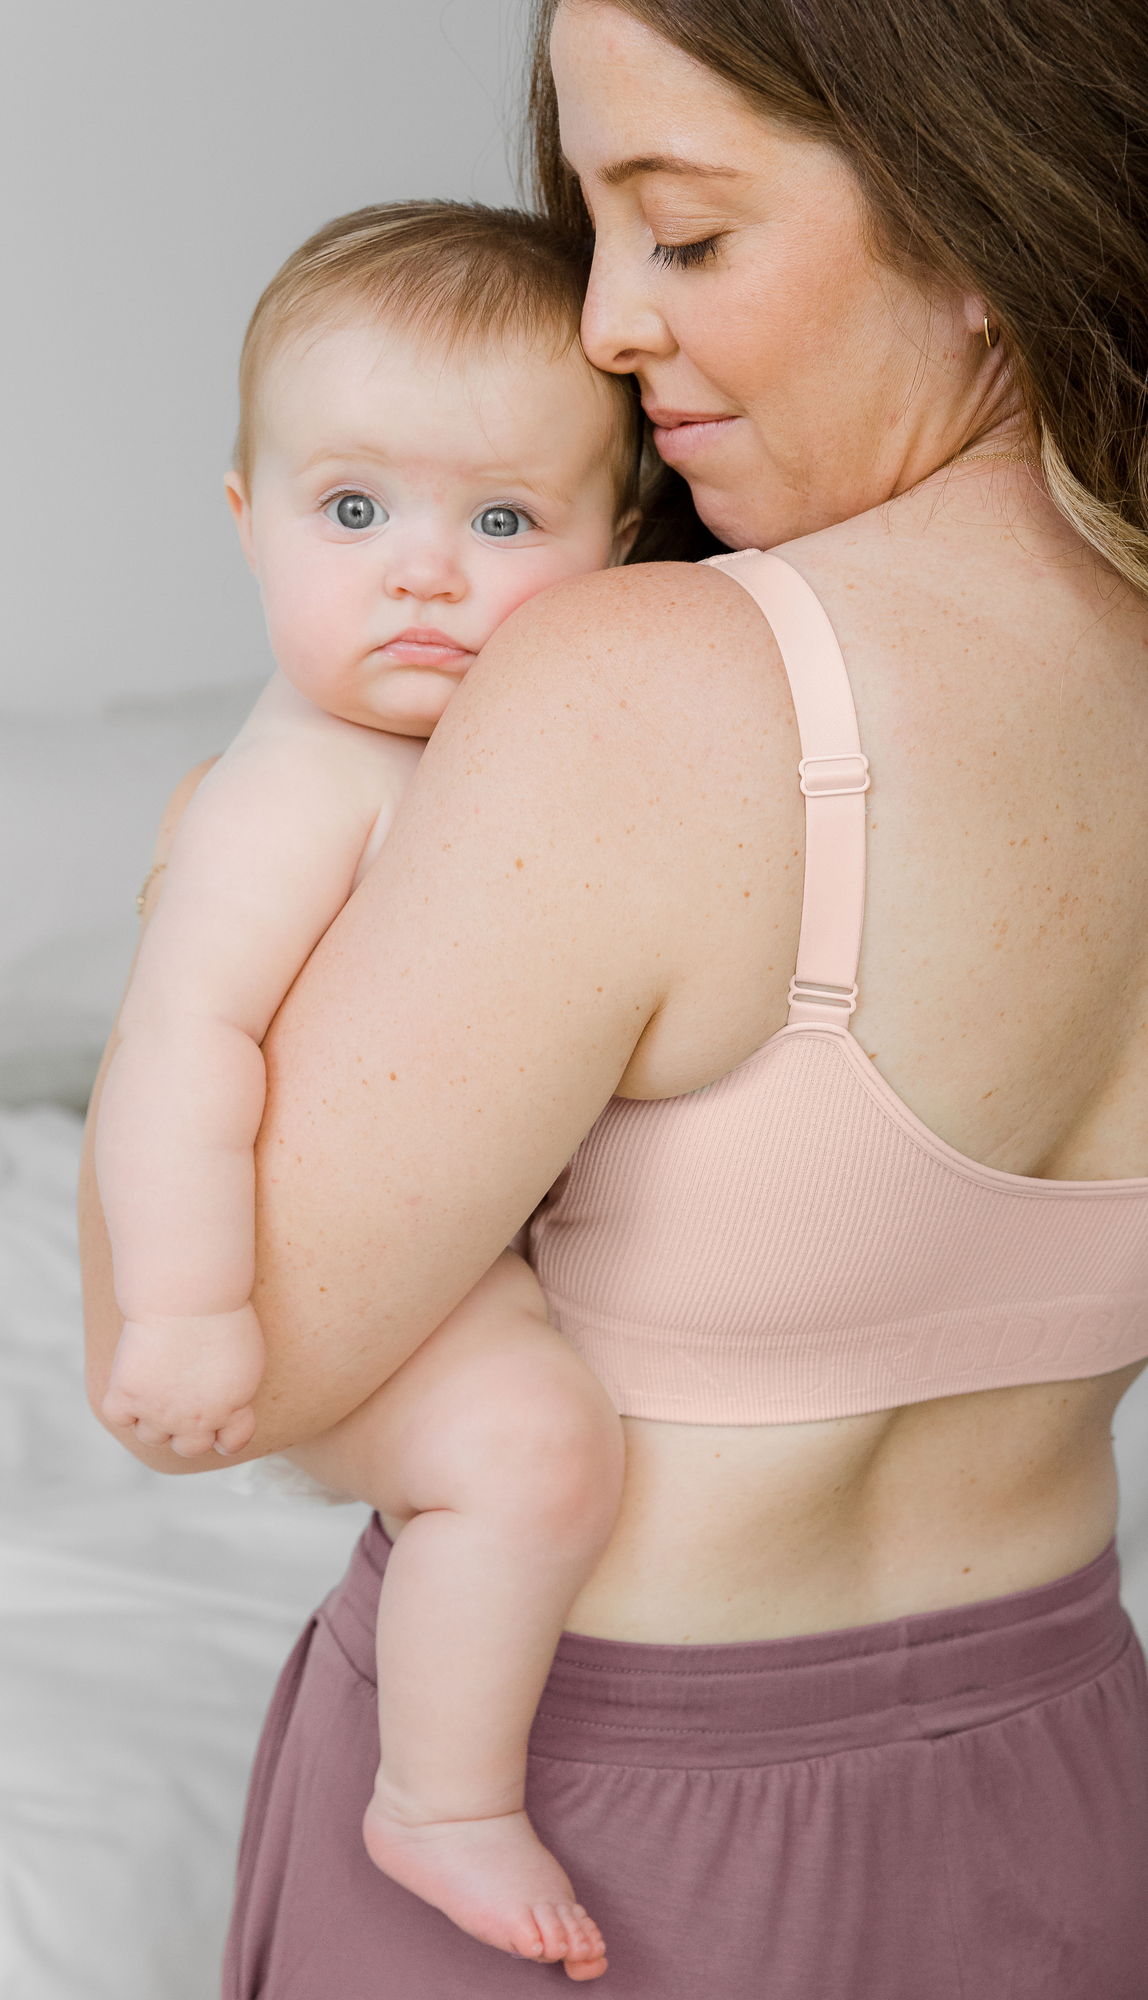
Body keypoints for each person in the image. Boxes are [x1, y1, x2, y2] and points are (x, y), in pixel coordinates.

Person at [79, 1, 1148, 1993]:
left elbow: (210, 1366)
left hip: (584, 1819)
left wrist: (211, 880)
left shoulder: (656, 686)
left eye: (687, 233)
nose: (606, 324)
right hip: (1052, 1781)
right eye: (598, 231)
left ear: (989, 218)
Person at [94, 200, 646, 1979]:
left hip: (459, 1235)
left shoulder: (516, 745)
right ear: (247, 524)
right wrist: (191, 1311)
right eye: (354, 512)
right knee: (533, 1450)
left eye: (503, 521)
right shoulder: (299, 785)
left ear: (619, 541)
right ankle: (440, 1797)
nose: (426, 573)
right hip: (296, 1286)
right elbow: (180, 1046)